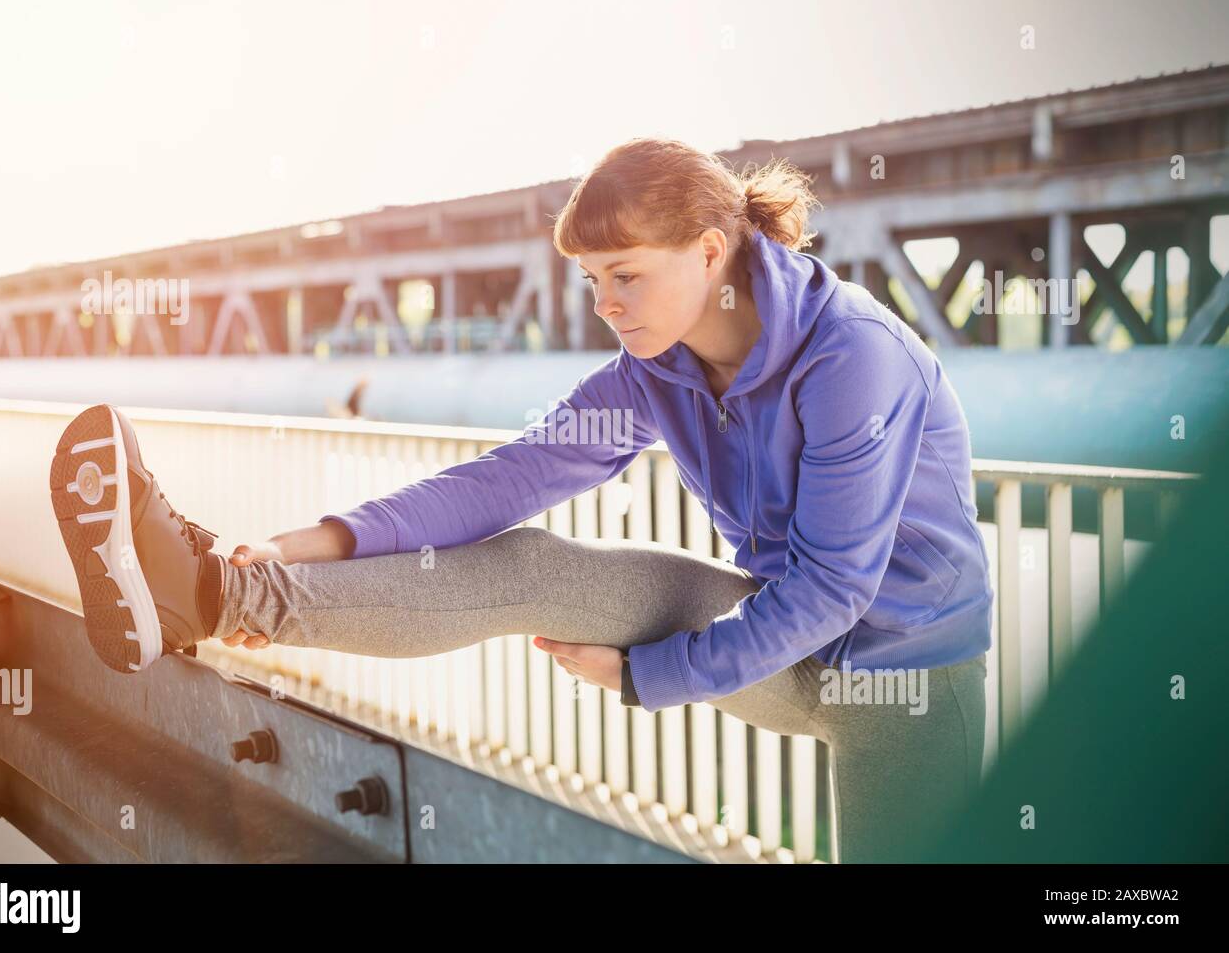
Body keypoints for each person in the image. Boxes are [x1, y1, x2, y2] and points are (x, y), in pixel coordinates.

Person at [50, 138, 992, 862]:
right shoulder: (655, 369)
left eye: (626, 275)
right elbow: (513, 477)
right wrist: (318, 540)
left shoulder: (853, 359)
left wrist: (647, 677)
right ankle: (212, 593)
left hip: (904, 685)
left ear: (711, 253)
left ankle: (201, 592)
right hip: (776, 636)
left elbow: (835, 591)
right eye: (593, 281)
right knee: (530, 565)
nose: (606, 305)